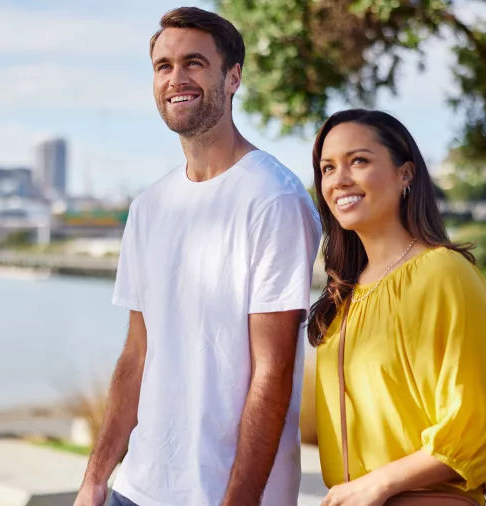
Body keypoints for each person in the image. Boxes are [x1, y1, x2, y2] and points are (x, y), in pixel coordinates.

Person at [73, 7, 322, 506]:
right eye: (163, 66)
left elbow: (272, 371)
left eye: (194, 63)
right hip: (136, 490)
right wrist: (96, 479)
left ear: (233, 78)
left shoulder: (273, 199)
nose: (176, 78)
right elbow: (137, 354)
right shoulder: (148, 208)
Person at [306, 109, 486, 506]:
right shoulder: (345, 296)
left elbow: (481, 425)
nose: (339, 180)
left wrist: (379, 483)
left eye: (359, 161)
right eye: (328, 168)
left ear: (406, 173)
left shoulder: (443, 274)